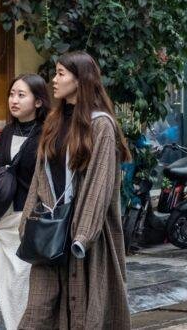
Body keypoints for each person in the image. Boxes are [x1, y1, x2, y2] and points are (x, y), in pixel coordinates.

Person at [20, 51, 131, 329]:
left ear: (80, 80)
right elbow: (39, 176)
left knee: (84, 311)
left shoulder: (100, 124)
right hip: (49, 229)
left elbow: (100, 182)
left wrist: (83, 235)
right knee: (37, 311)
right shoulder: (54, 121)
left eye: (60, 74)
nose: (53, 80)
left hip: (85, 237)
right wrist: (27, 222)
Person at [0, 74, 49, 330]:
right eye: (12, 94)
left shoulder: (48, 133)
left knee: (25, 279)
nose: (14, 100)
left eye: (21, 95)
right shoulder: (7, 132)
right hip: (4, 219)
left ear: (38, 101)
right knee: (6, 283)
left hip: (30, 219)